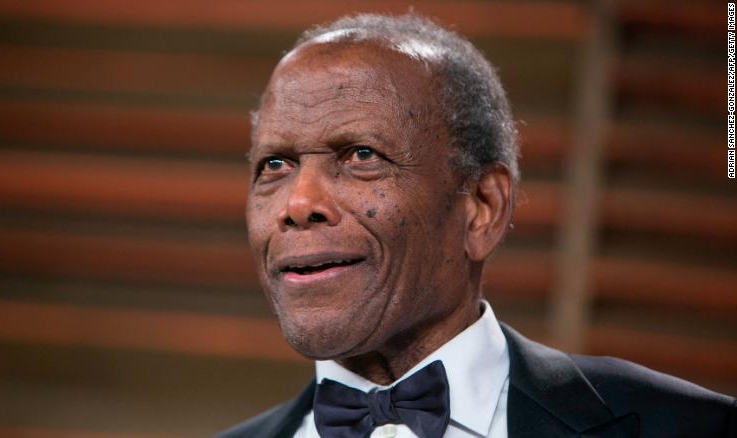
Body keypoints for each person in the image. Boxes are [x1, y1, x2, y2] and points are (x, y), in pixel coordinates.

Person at [218, 13, 736, 438]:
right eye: (276, 166)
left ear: (482, 208)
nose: (299, 201)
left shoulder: (694, 427)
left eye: (360, 155)